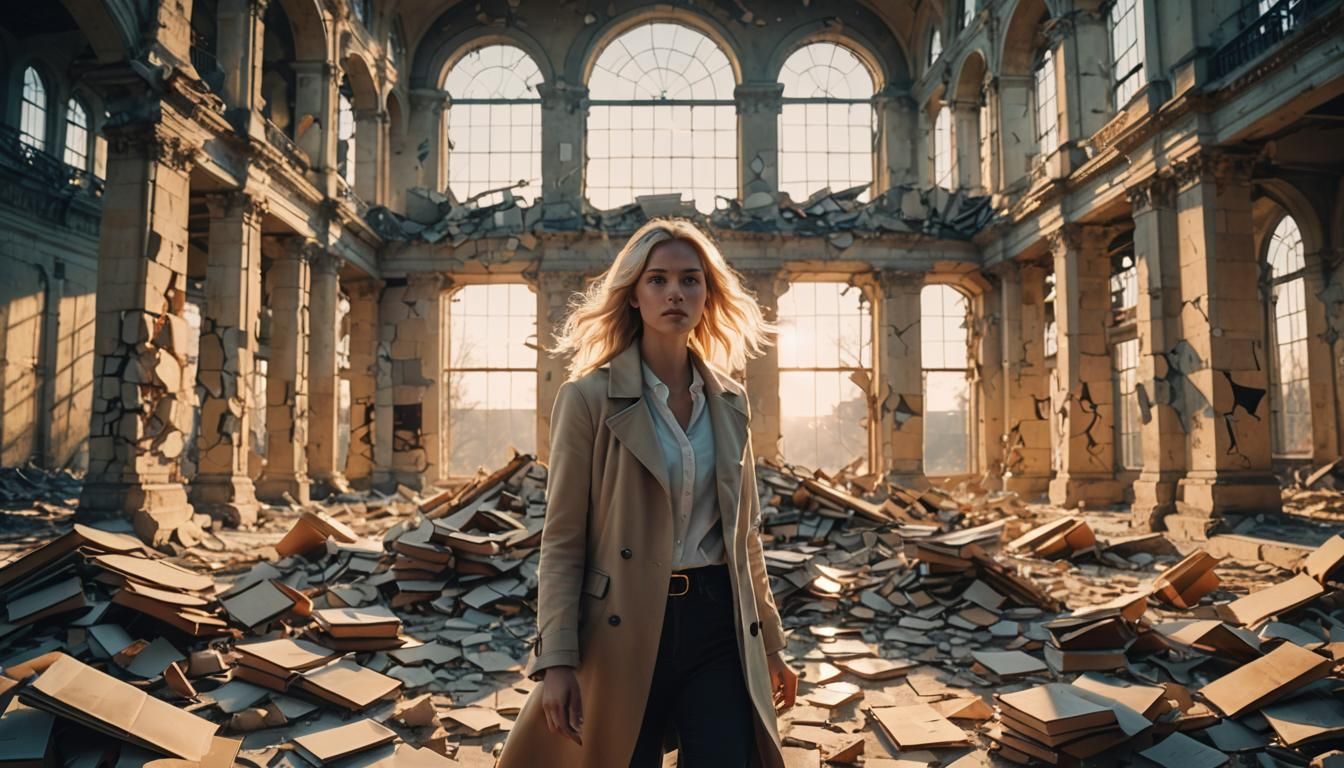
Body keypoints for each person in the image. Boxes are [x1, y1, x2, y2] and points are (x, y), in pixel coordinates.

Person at [495, 218, 799, 768]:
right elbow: (563, 539)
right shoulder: (587, 398)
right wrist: (557, 660)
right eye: (657, 280)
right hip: (622, 628)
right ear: (633, 295)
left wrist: (770, 645)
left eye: (690, 279)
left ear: (708, 294)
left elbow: (744, 538)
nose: (675, 292)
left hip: (717, 624)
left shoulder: (731, 402)